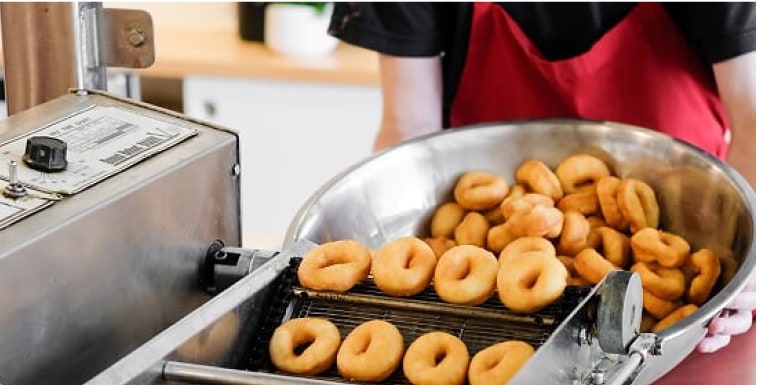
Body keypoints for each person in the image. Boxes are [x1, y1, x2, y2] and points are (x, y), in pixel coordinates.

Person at [328, 2, 755, 354]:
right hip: (485, 288)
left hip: (691, 224)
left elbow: (753, 119)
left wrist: (748, 265)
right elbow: (408, 131)